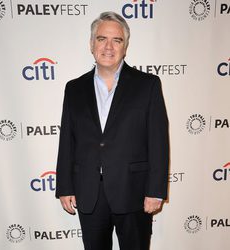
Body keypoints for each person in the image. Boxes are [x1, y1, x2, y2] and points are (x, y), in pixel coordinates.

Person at [56, 11, 169, 250]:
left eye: (116, 40)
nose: (108, 46)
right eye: (101, 39)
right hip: (89, 192)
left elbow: (158, 141)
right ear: (91, 44)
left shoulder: (147, 85)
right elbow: (67, 139)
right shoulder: (74, 89)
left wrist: (156, 190)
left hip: (134, 191)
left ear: (125, 47)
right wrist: (65, 186)